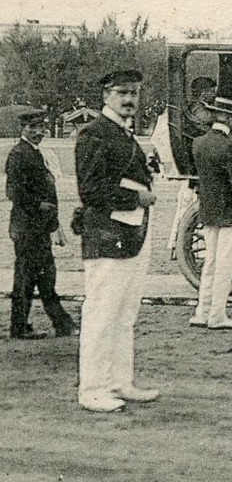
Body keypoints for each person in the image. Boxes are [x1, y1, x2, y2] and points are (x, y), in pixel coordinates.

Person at [73, 69, 159, 413]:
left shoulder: (122, 133)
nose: (129, 100)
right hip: (108, 236)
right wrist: (135, 198)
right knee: (101, 313)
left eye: (134, 93)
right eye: (122, 92)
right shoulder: (94, 133)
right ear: (106, 95)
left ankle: (120, 382)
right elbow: (90, 190)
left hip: (130, 234)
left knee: (125, 314)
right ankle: (92, 389)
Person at [189, 97, 232, 330]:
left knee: (209, 263)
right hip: (231, 212)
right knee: (225, 266)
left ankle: (202, 311)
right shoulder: (229, 146)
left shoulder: (198, 143)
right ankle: (218, 315)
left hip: (208, 210)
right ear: (228, 118)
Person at [8, 107, 75, 340]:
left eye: (41, 127)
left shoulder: (34, 153)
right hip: (27, 227)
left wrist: (52, 223)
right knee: (31, 279)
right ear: (22, 129)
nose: (38, 132)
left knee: (43, 277)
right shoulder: (19, 154)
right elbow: (13, 192)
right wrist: (38, 205)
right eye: (32, 127)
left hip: (37, 228)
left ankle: (57, 322)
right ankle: (29, 326)